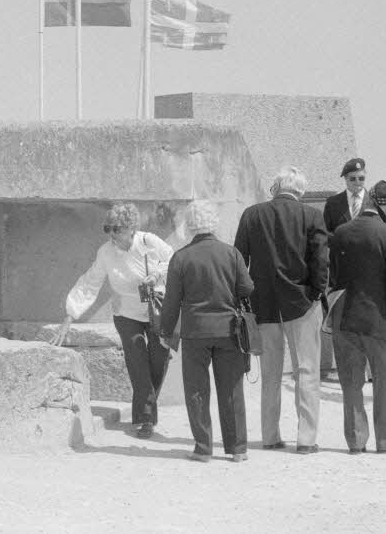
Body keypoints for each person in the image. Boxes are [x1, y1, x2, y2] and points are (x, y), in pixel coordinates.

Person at [51, 202, 174, 438]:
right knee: (137, 362)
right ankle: (146, 418)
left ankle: (146, 406)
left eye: (116, 229)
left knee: (159, 359)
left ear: (130, 228)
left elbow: (175, 259)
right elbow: (90, 281)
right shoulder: (106, 252)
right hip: (126, 315)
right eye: (109, 229)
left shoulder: (148, 242)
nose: (112, 234)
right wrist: (70, 315)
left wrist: (157, 274)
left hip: (156, 311)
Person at [233, 166, 328, 454]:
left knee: (271, 375)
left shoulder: (252, 214)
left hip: (264, 304)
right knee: (307, 372)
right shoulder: (311, 215)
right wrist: (315, 293)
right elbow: (320, 261)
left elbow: (239, 261)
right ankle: (306, 439)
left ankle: (270, 435)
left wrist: (246, 298)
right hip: (301, 303)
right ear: (300, 191)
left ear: (275, 188)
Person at [159, 200, 255, 463]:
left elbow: (171, 300)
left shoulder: (180, 257)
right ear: (214, 222)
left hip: (195, 333)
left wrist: (165, 330)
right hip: (228, 331)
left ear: (190, 226)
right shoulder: (231, 253)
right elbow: (247, 288)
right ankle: (237, 449)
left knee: (196, 390)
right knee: (232, 389)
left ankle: (203, 448)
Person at [328, 180, 386, 453]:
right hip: (380, 319)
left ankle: (356, 441)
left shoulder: (341, 232)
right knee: (385, 381)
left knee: (351, 383)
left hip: (345, 317)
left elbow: (333, 277)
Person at [320, 157, 367, 382]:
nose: (358, 182)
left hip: (369, 273)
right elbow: (324, 233)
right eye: (353, 178)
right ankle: (345, 369)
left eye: (361, 178)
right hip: (341, 272)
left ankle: (369, 371)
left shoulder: (372, 201)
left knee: (368, 322)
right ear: (345, 179)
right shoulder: (333, 203)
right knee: (342, 322)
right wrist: (342, 240)